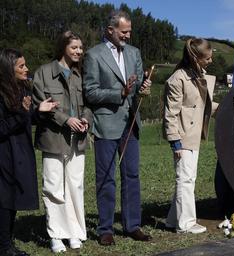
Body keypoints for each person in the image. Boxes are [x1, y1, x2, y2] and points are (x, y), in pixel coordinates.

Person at [83, 11, 152, 244]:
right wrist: (119, 93)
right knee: (106, 177)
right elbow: (90, 92)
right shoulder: (93, 55)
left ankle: (132, 225)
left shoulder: (134, 53)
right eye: (124, 32)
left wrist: (144, 87)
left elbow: (140, 85)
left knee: (132, 175)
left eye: (130, 31)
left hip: (131, 123)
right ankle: (105, 229)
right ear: (110, 30)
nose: (128, 35)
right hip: (106, 124)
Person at [32, 31, 92, 253]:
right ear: (63, 47)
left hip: (78, 140)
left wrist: (85, 119)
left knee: (75, 186)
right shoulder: (44, 73)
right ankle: (56, 234)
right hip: (53, 139)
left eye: (80, 48)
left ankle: (74, 232)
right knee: (53, 187)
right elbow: (41, 104)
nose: (79, 51)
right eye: (74, 47)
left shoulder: (80, 75)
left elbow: (88, 104)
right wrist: (67, 120)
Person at [0, 48, 58, 256]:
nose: (27, 69)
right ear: (8, 69)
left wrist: (38, 111)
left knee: (13, 198)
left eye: (25, 65)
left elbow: (27, 119)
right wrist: (22, 114)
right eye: (21, 66)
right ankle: (4, 247)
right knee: (4, 200)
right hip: (5, 153)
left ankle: (6, 244)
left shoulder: (23, 89)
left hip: (20, 151)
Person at [163, 38, 218, 233]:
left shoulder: (198, 74)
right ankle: (185, 224)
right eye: (207, 58)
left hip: (194, 134)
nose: (210, 61)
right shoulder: (178, 78)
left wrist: (225, 108)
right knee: (185, 179)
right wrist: (175, 141)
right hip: (182, 135)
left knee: (188, 178)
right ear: (195, 57)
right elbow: (171, 113)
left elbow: (202, 106)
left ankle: (172, 219)